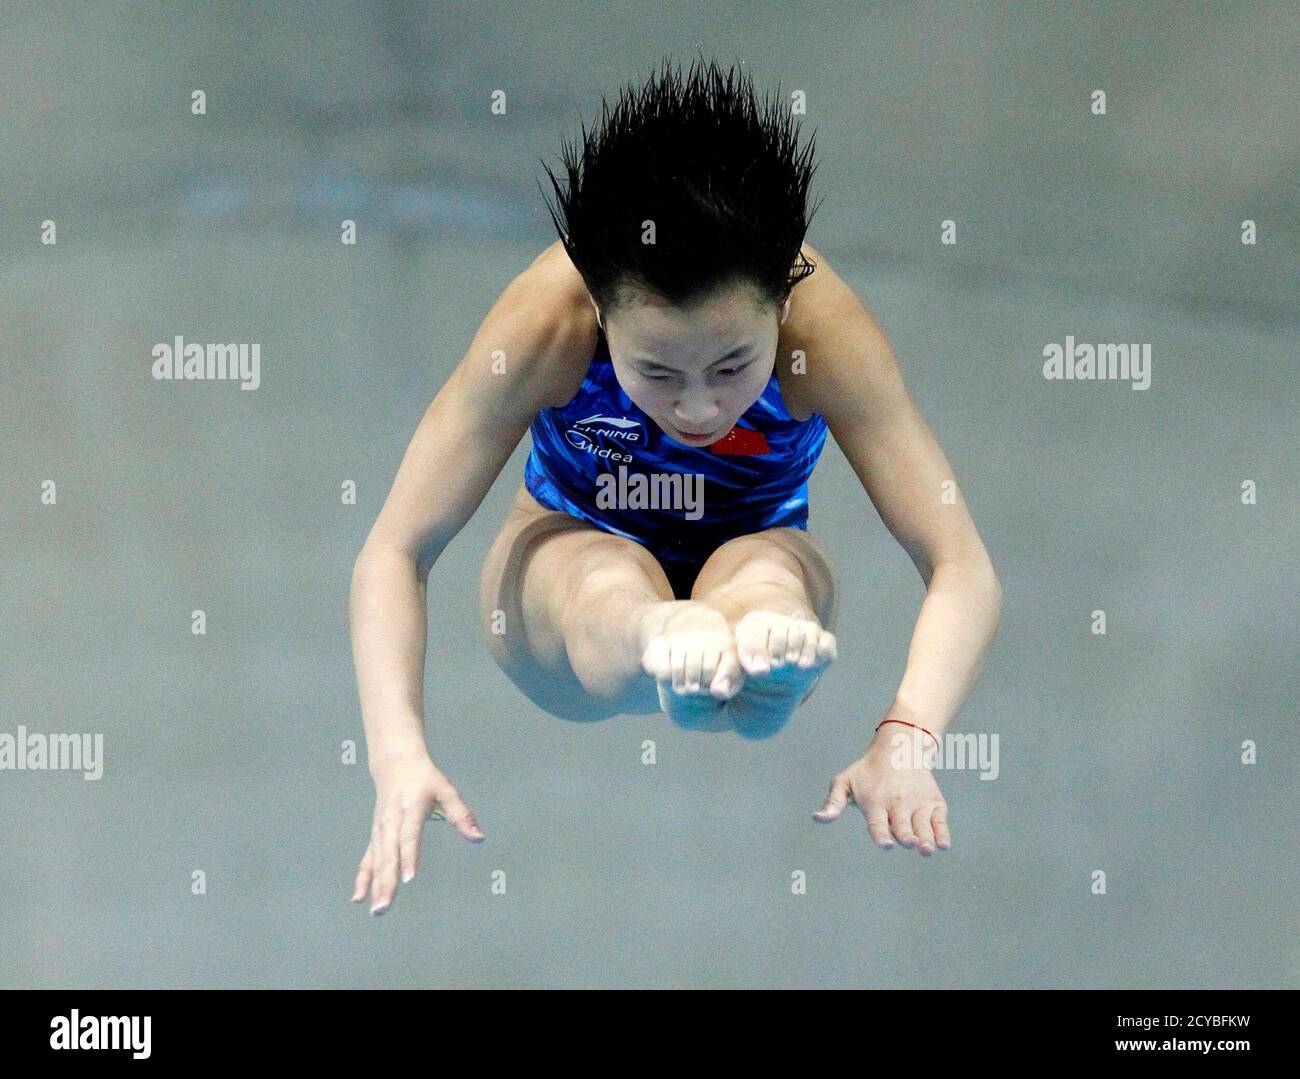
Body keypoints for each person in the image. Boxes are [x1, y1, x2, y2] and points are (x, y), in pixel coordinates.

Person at [349, 58, 1002, 914]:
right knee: (602, 579)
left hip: (754, 540)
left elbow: (962, 564)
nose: (698, 405)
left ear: (782, 299)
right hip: (565, 555)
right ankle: (657, 636)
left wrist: (907, 737)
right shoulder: (546, 323)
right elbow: (395, 549)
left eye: (734, 365)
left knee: (769, 579)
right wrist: (397, 753)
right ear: (600, 309)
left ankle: (752, 647)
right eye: (655, 370)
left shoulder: (827, 334)